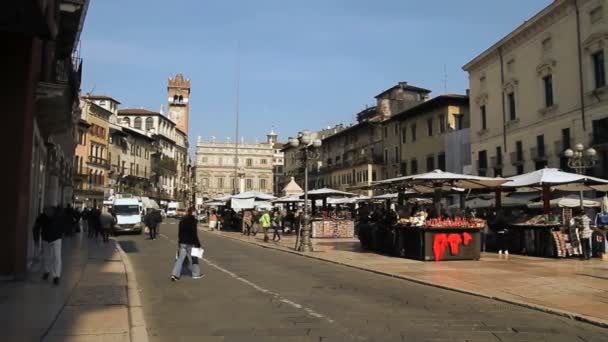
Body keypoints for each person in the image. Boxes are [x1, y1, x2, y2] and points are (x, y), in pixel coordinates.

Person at [171, 208, 203, 281]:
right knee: (194, 258)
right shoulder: (193, 221)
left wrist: (179, 242)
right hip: (190, 243)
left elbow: (180, 232)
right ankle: (196, 274)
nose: (196, 213)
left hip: (182, 242)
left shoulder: (182, 220)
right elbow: (194, 233)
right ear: (193, 212)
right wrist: (198, 244)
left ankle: (175, 274)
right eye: (195, 212)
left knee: (180, 259)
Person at [40, 207, 62, 285]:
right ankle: (47, 271)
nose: (47, 212)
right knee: (46, 256)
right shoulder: (42, 217)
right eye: (46, 210)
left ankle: (56, 276)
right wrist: (36, 238)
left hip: (56, 238)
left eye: (49, 210)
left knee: (56, 257)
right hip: (46, 239)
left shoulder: (58, 216)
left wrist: (61, 233)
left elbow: (63, 225)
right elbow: (36, 227)